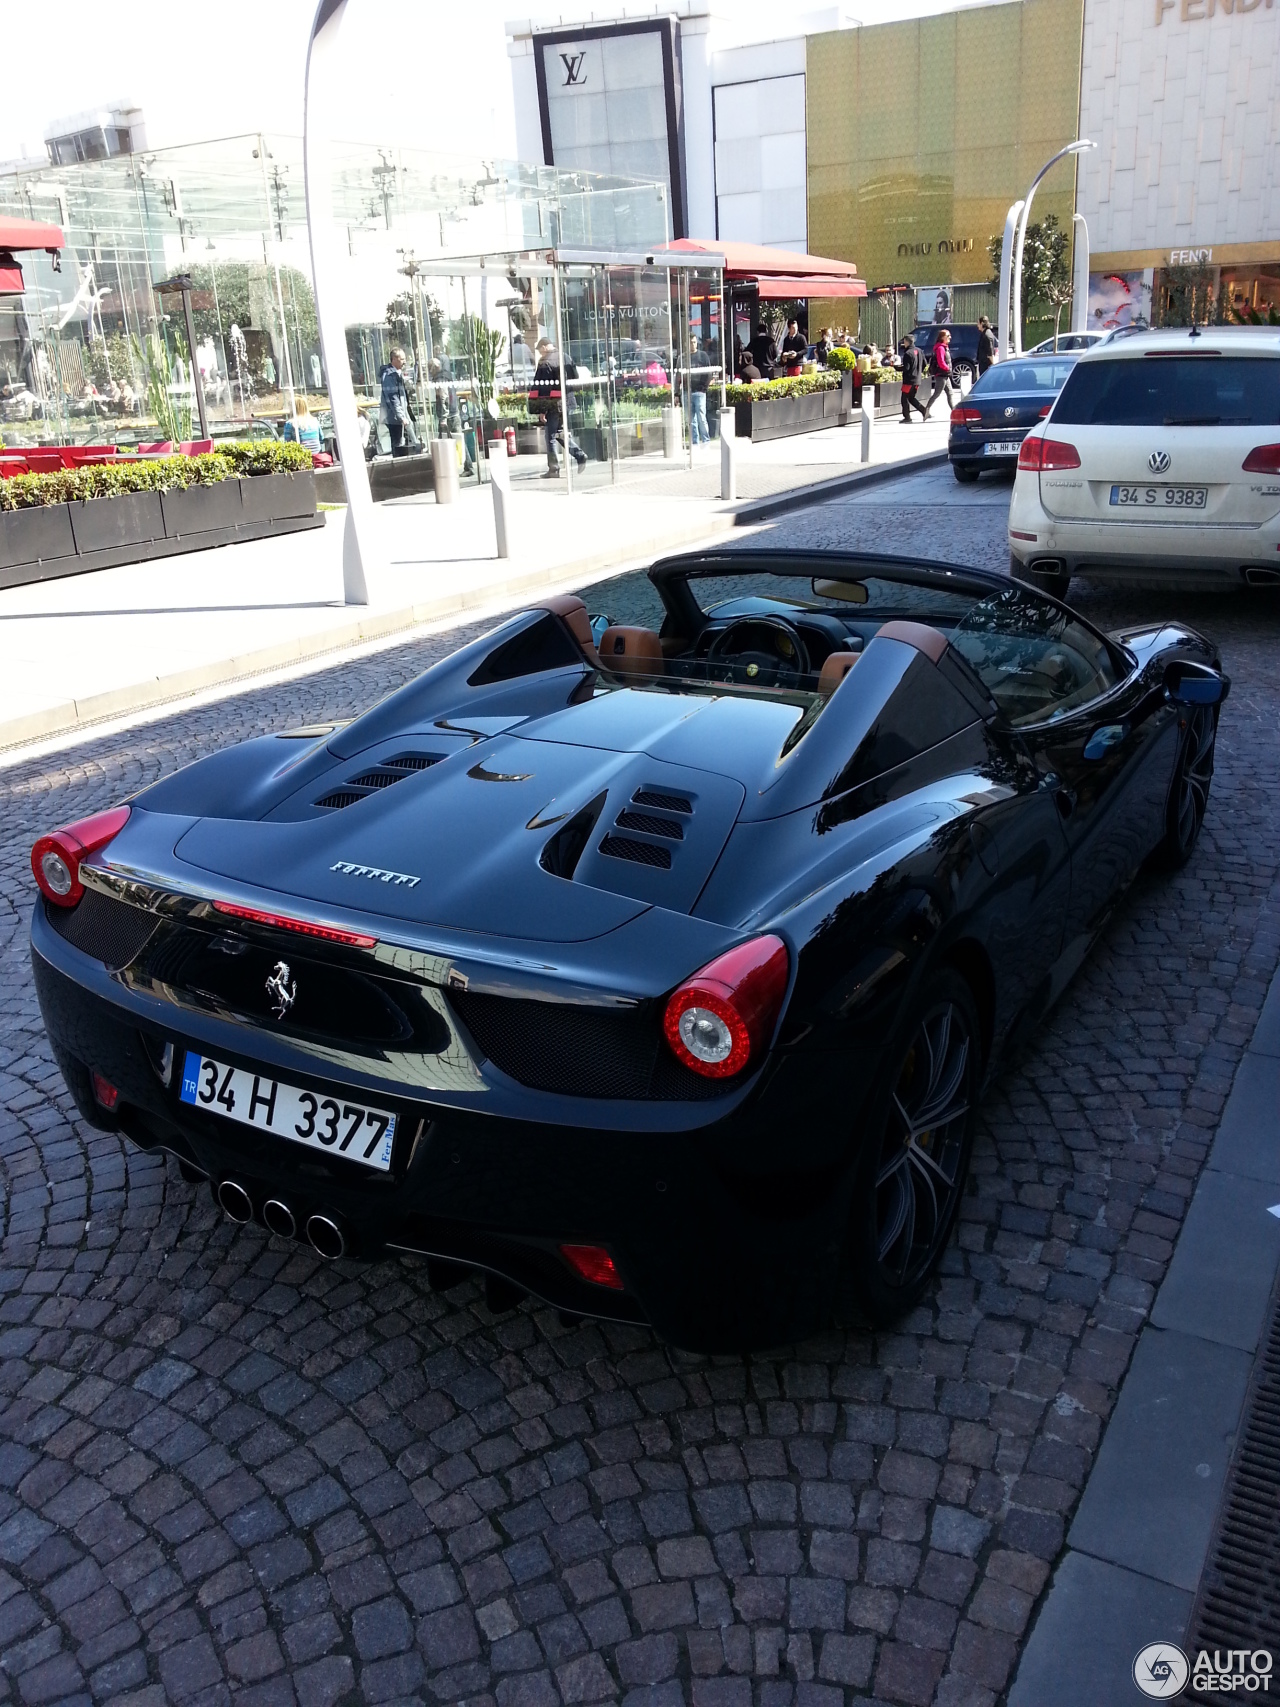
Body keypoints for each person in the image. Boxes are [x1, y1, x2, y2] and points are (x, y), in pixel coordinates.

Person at [532, 338, 586, 476]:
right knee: (560, 433)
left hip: (553, 404)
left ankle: (554, 468)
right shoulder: (565, 356)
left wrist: (542, 410)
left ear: (544, 347)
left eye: (540, 350)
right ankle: (579, 455)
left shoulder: (545, 362)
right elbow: (575, 377)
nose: (540, 353)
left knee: (550, 436)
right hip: (567, 402)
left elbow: (542, 388)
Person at [380, 347, 414, 456]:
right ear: (394, 359)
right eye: (402, 359)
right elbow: (393, 398)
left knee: (406, 443)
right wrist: (401, 416)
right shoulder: (389, 375)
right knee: (398, 445)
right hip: (395, 418)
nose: (404, 362)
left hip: (400, 416)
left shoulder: (396, 374)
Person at [924, 328, 959, 418]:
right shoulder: (940, 348)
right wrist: (947, 368)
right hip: (941, 374)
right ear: (943, 337)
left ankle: (955, 412)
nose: (950, 337)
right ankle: (926, 410)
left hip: (945, 374)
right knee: (937, 393)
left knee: (950, 393)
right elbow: (941, 362)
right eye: (948, 336)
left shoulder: (944, 347)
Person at [898, 337, 928, 422]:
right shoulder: (919, 351)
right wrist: (919, 372)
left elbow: (906, 368)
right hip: (917, 379)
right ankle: (924, 411)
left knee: (904, 398)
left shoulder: (907, 353)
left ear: (906, 342)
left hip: (909, 380)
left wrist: (897, 368)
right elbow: (925, 364)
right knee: (911, 398)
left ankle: (907, 417)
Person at [689, 336, 712, 444]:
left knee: (701, 417)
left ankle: (705, 439)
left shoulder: (703, 356)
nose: (692, 344)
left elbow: (708, 373)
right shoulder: (684, 357)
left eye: (694, 342)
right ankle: (695, 441)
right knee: (691, 419)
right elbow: (679, 375)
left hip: (699, 391)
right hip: (688, 390)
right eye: (690, 342)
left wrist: (704, 388)